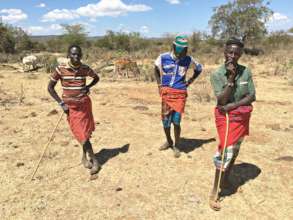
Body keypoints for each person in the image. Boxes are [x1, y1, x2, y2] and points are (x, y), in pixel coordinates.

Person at [209, 37, 256, 211]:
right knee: (224, 150)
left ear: (241, 54)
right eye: (230, 52)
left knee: (235, 150)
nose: (233, 56)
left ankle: (226, 179)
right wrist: (231, 78)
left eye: (237, 53)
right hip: (225, 117)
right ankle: (214, 191)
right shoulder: (217, 74)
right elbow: (221, 99)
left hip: (241, 116)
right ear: (224, 51)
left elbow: (252, 96)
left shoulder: (246, 71)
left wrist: (233, 105)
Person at [48, 45, 100, 175]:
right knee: (81, 133)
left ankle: (84, 157)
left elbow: (96, 78)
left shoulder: (85, 68)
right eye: (73, 54)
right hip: (70, 108)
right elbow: (50, 88)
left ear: (81, 55)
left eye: (78, 54)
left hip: (84, 104)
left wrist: (88, 87)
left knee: (85, 133)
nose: (76, 57)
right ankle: (95, 160)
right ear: (68, 55)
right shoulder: (60, 69)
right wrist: (61, 103)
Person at [154, 34, 202, 158]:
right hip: (166, 93)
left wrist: (190, 81)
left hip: (180, 94)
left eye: (183, 50)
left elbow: (199, 68)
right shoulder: (163, 57)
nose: (181, 52)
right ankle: (169, 141)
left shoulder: (188, 60)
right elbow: (155, 68)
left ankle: (177, 145)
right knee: (165, 122)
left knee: (176, 122)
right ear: (174, 47)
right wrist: (159, 85)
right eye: (178, 49)